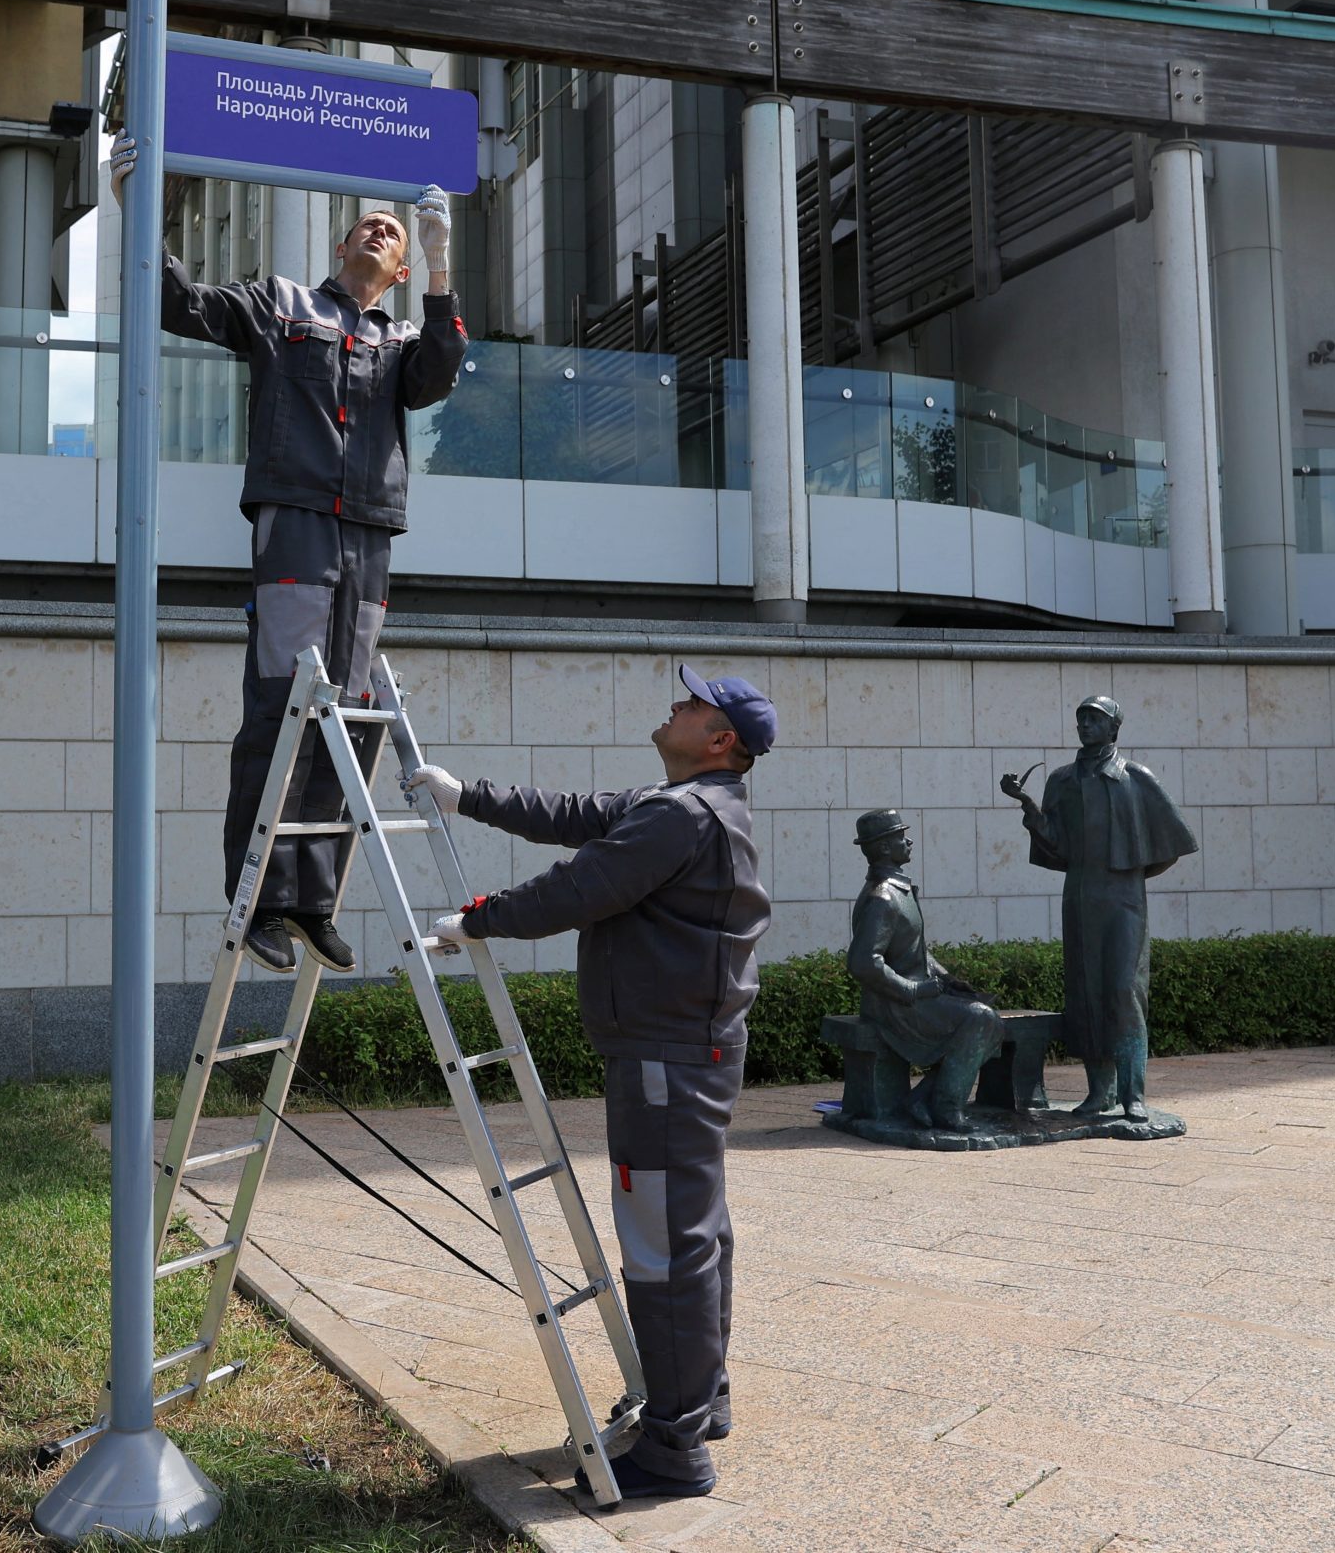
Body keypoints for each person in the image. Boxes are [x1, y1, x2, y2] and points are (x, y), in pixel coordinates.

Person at [403, 665, 774, 1502]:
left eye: (691, 705)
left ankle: (675, 1450)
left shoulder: (685, 817)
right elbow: (578, 818)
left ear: (722, 741)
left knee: (663, 1242)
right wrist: (468, 796)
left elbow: (583, 886)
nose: (673, 706)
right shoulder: (676, 806)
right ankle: (698, 1402)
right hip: (682, 1053)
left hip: (666, 1063)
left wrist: (477, 921)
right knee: (693, 1231)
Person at [111, 141, 464, 974]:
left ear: (405, 268)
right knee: (284, 704)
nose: (380, 230)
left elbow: (439, 374)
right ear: (340, 248)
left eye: (396, 231)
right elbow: (179, 303)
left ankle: (313, 902)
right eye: (366, 225)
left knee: (351, 715)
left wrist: (446, 257)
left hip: (370, 532)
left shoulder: (405, 333)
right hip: (297, 525)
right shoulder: (283, 303)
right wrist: (141, 206)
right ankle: (261, 900)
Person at [998, 696, 1196, 1120]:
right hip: (1081, 895)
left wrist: (1128, 874)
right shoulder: (1062, 780)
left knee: (1124, 992)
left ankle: (1133, 1094)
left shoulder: (1135, 778)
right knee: (1087, 993)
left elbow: (1170, 844)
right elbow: (1056, 845)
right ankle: (1099, 1093)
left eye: (1096, 719)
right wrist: (1028, 806)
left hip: (1124, 898)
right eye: (1081, 719)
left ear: (1114, 728)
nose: (1086, 725)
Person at [844, 808, 1003, 1133]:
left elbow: (916, 950)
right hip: (895, 1006)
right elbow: (863, 962)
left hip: (912, 999)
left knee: (990, 1022)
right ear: (886, 848)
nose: (910, 841)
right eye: (902, 837)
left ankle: (922, 1098)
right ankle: (947, 1108)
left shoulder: (897, 890)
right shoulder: (883, 898)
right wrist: (913, 990)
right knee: (980, 1019)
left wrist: (948, 980)